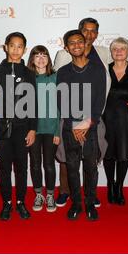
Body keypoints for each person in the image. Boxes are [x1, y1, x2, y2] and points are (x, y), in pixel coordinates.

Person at [53, 17, 111, 208]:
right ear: (67, 48)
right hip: (70, 126)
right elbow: (62, 100)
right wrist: (72, 125)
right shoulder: (62, 71)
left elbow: (99, 98)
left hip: (91, 124)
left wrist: (87, 123)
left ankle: (90, 201)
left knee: (91, 166)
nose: (77, 45)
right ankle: (76, 203)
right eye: (72, 43)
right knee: (71, 167)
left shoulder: (98, 68)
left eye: (80, 41)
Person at [0, 32, 37, 221]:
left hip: (22, 128)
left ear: (24, 50)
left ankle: (20, 201)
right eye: (12, 45)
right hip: (1, 129)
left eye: (20, 46)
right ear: (5, 47)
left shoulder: (29, 73)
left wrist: (33, 128)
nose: (16, 50)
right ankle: (6, 203)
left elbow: (34, 103)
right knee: (3, 169)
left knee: (21, 168)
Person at [102, 37, 128, 206]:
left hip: (126, 119)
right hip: (106, 118)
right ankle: (110, 185)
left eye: (122, 49)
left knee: (123, 154)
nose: (118, 51)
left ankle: (120, 187)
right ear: (111, 52)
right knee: (108, 154)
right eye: (115, 49)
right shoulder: (104, 69)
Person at [27, 45, 60, 212]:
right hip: (33, 129)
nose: (41, 59)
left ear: (49, 58)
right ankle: (38, 194)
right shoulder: (28, 78)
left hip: (51, 128)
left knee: (49, 164)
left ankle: (50, 195)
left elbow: (61, 106)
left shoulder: (56, 77)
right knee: (35, 163)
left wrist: (57, 131)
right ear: (32, 59)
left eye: (44, 55)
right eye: (37, 55)